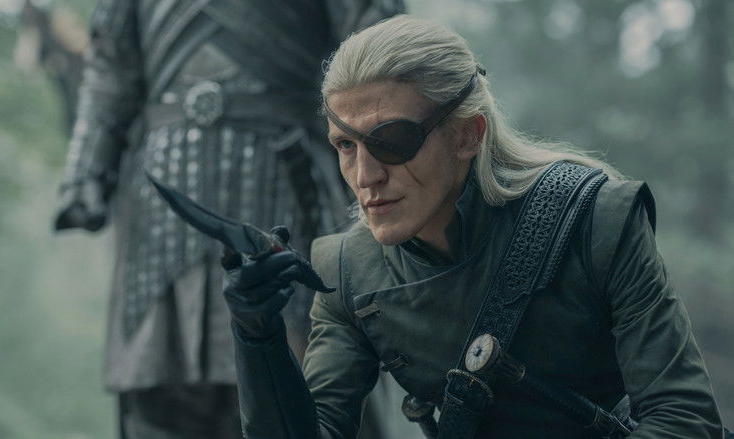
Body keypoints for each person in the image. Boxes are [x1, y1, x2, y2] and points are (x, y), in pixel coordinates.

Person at [220, 15, 724, 439]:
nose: (364, 176)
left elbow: (684, 421)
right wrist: (257, 335)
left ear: (467, 135)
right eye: (345, 145)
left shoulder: (598, 220)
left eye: (391, 141)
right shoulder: (347, 269)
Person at [52, 1, 403, 437]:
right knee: (160, 395)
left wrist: (392, 159)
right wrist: (86, 171)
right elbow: (112, 67)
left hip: (288, 180)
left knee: (310, 387)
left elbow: (377, 48)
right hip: (162, 194)